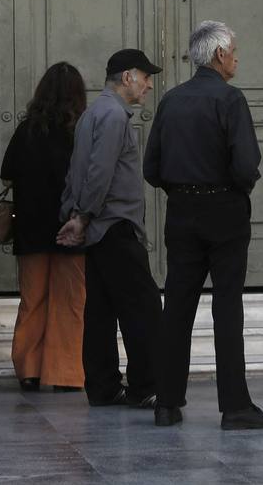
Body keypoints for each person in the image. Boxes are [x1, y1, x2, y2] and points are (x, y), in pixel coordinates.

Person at [144, 21, 263, 430]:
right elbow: (245, 165)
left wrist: (182, 189)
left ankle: (167, 403)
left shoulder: (171, 101)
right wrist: (232, 189)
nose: (237, 57)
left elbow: (152, 167)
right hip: (224, 211)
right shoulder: (230, 99)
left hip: (181, 212)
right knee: (227, 307)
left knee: (178, 308)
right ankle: (235, 406)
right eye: (234, 51)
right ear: (220, 55)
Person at [56, 49, 162, 411]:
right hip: (115, 225)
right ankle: (145, 386)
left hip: (99, 229)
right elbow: (98, 171)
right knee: (142, 307)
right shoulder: (114, 115)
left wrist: (75, 214)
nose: (148, 86)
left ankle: (102, 387)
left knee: (100, 311)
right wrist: (83, 215)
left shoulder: (92, 114)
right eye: (146, 77)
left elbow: (77, 170)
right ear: (128, 76)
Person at [4, 61, 87, 394]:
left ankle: (29, 369)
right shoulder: (80, 130)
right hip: (71, 226)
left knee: (32, 299)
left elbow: (8, 171)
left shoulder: (27, 130)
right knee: (71, 301)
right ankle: (65, 372)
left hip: (31, 227)